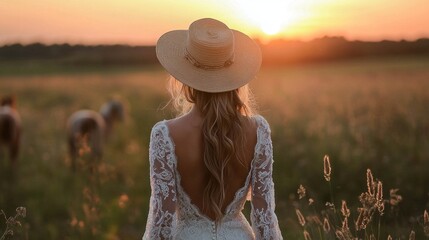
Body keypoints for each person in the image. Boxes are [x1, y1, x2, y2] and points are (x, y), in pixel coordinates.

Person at [143, 18, 283, 240]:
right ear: (235, 76)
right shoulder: (258, 130)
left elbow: (162, 222)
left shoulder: (165, 135)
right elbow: (264, 217)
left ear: (185, 78)